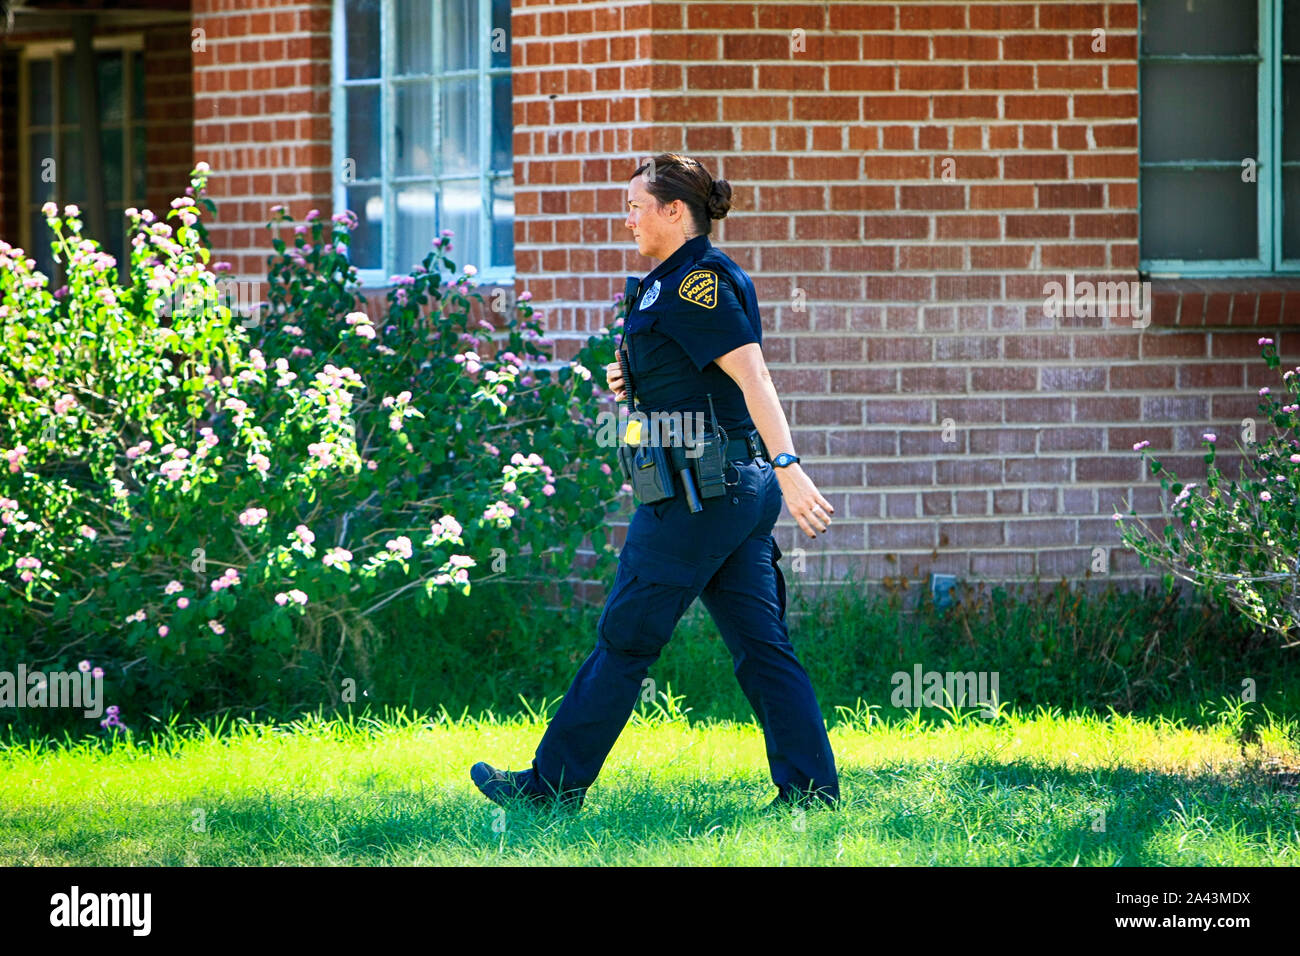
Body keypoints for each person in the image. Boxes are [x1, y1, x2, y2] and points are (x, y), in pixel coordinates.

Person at [471, 152, 840, 813]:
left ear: (675, 211)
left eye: (635, 206)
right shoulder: (671, 281)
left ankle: (549, 791)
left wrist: (791, 469)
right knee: (762, 648)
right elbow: (698, 372)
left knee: (625, 639)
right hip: (724, 491)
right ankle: (811, 794)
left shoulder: (700, 281)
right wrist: (634, 379)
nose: (626, 219)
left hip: (702, 492)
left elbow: (753, 376)